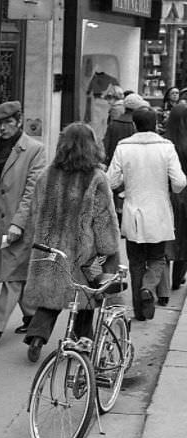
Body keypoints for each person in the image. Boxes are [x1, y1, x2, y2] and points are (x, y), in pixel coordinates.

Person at [23, 123, 121, 362]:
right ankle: (81, 341)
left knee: (50, 297)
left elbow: (35, 211)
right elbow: (103, 219)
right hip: (82, 252)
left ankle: (37, 335)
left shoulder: (47, 174)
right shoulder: (96, 178)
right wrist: (108, 250)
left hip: (49, 249)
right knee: (84, 298)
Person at [107, 107, 187, 321]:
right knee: (157, 257)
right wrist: (168, 189)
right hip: (159, 212)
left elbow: (111, 180)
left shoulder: (123, 147)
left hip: (133, 212)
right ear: (155, 124)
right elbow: (180, 182)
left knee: (135, 262)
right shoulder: (166, 147)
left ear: (134, 124)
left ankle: (140, 312)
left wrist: (124, 190)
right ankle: (149, 288)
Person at [0, 100, 46, 346]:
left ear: (19, 122)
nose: (3, 128)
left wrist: (18, 223)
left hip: (24, 226)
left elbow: (32, 191)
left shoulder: (34, 149)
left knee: (11, 278)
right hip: (1, 223)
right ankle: (32, 316)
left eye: (8, 123)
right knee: (17, 274)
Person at [165, 103, 187, 292]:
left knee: (166, 237)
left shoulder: (165, 141)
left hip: (168, 192)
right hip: (185, 192)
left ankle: (162, 287)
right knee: (184, 237)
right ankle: (177, 278)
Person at [104, 92, 149, 165]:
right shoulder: (137, 125)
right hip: (133, 165)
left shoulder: (113, 124)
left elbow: (106, 146)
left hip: (114, 164)